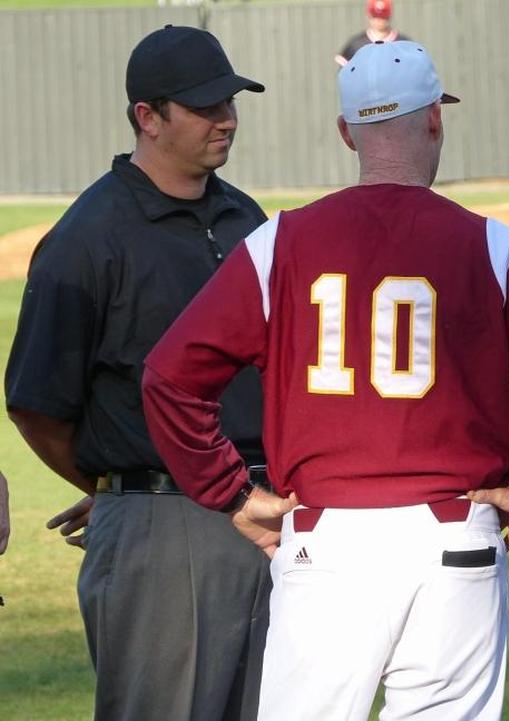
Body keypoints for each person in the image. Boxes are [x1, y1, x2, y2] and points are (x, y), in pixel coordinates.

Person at [141, 40, 509, 721]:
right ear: (435, 120)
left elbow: (169, 377)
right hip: (453, 541)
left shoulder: (277, 243)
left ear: (346, 131)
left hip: (324, 542)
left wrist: (230, 492)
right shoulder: (492, 246)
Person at [5, 25, 271, 721]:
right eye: (205, 106)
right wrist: (127, 491)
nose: (226, 118)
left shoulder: (246, 218)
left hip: (270, 515)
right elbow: (36, 403)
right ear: (147, 118)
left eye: (231, 101)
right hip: (164, 531)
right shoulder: (87, 238)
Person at [334, 0, 411, 67]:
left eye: (383, 16)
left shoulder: (404, 44)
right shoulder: (356, 44)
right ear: (368, 15)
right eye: (375, 16)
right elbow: (345, 74)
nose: (378, 20)